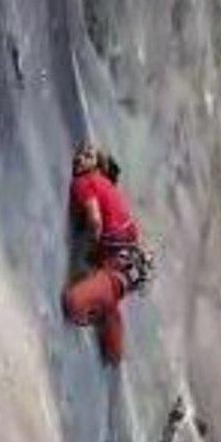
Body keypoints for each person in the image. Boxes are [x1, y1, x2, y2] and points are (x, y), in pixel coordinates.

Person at [62, 142, 149, 366]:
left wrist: (87, 253)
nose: (80, 157)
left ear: (97, 166)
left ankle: (106, 311)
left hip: (119, 268)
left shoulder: (84, 183)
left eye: (88, 155)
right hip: (127, 264)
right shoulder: (109, 187)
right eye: (80, 152)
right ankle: (113, 350)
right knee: (112, 356)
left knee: (73, 303)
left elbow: (95, 221)